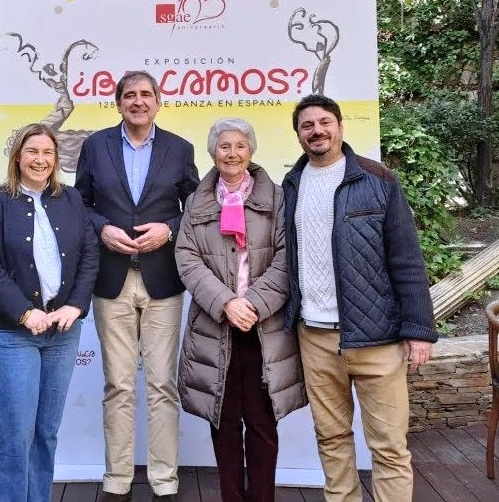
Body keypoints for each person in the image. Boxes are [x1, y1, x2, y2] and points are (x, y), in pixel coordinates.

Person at [282, 94, 438, 502]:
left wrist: (419, 331)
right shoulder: (292, 185)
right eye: (307, 125)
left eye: (324, 122)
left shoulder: (378, 179)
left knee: (388, 447)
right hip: (314, 337)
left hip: (378, 338)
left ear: (340, 126)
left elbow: (406, 258)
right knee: (331, 440)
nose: (316, 130)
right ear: (298, 134)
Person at [75, 70, 199, 502]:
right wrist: (103, 228)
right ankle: (117, 480)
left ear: (158, 101)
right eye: (130, 95)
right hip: (111, 280)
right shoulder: (95, 146)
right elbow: (81, 203)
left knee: (163, 385)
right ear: (119, 103)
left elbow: (198, 208)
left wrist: (169, 229)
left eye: (146, 94)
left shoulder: (179, 149)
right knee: (119, 384)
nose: (139, 101)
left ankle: (165, 481)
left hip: (163, 280)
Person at [174, 117, 307, 502]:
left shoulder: (278, 198)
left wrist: (252, 304)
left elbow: (288, 257)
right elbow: (186, 257)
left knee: (263, 421)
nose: (232, 153)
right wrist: (226, 303)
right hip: (216, 326)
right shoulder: (198, 202)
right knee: (225, 420)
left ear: (251, 151)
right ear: (212, 152)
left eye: (239, 146)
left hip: (264, 327)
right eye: (224, 146)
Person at [0, 123, 98, 502]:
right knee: (15, 430)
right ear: (17, 157)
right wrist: (26, 314)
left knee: (46, 430)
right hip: (11, 334)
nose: (40, 160)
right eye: (32, 151)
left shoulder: (72, 200)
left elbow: (90, 255)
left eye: (47, 153)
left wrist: (75, 304)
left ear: (56, 159)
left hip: (62, 333)